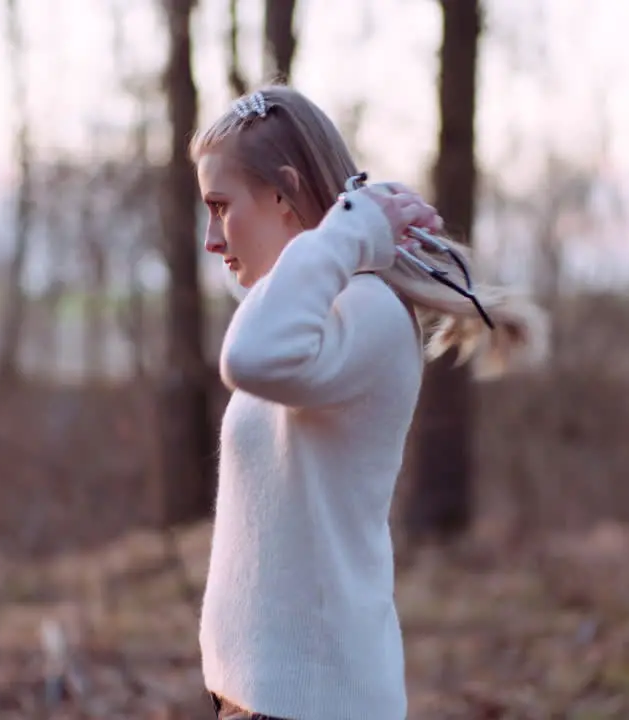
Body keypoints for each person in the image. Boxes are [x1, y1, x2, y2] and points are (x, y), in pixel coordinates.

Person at [191, 84, 548, 720]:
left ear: (282, 193)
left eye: (221, 207)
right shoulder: (310, 310)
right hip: (253, 699)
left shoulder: (369, 314)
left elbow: (245, 359)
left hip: (312, 703)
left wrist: (341, 236)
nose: (213, 240)